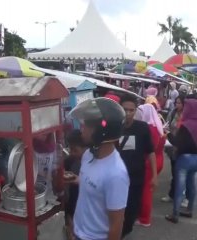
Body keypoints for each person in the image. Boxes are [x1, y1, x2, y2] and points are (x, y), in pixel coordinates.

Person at [70, 97, 129, 240]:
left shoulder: (116, 174)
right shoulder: (88, 155)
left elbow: (116, 225)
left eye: (87, 125)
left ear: (102, 131)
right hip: (78, 233)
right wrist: (75, 179)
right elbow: (93, 185)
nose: (81, 128)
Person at [118, 95, 157, 238]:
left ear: (135, 111)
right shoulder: (113, 128)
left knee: (131, 213)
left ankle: (124, 230)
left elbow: (151, 152)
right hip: (116, 179)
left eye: (131, 110)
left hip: (135, 179)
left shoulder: (142, 128)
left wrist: (154, 176)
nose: (128, 113)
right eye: (124, 110)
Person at [165, 97, 197, 223]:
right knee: (192, 185)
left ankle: (175, 214)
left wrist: (167, 134)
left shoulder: (186, 125)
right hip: (196, 159)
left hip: (184, 159)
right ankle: (189, 210)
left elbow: (177, 143)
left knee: (179, 186)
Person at [134, 104, 166, 227]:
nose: (138, 115)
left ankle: (144, 219)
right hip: (158, 160)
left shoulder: (148, 128)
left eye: (140, 112)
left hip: (149, 163)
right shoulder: (156, 126)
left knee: (146, 191)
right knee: (148, 190)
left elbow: (146, 149)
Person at [161, 96, 189, 207]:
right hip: (171, 146)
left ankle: (184, 197)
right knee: (174, 172)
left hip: (182, 148)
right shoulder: (172, 113)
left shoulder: (187, 115)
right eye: (176, 102)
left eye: (179, 103)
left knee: (182, 174)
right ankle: (172, 195)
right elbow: (167, 124)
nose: (177, 105)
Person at [63, 130, 88, 240]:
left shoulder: (92, 163)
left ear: (86, 148)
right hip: (73, 207)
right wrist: (68, 217)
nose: (72, 153)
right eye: (70, 149)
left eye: (75, 150)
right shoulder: (69, 161)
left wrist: (81, 181)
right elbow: (68, 194)